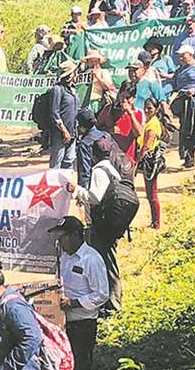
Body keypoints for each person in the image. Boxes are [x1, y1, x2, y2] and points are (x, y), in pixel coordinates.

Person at [66, 139, 134, 314]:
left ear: (93, 155)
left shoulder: (98, 171)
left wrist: (76, 190)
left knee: (105, 262)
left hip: (102, 225)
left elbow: (95, 198)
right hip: (112, 222)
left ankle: (112, 303)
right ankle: (112, 299)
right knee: (109, 260)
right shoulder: (113, 169)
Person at [48, 216, 109, 370]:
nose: (59, 242)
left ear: (75, 235)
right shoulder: (64, 257)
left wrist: (74, 302)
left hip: (82, 324)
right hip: (62, 321)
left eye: (62, 237)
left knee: (80, 363)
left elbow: (102, 294)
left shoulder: (91, 259)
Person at [45, 61, 79, 170]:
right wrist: (64, 131)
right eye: (75, 72)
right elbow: (54, 113)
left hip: (73, 131)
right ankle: (54, 185)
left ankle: (65, 185)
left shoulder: (72, 90)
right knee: (56, 162)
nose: (77, 74)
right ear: (70, 75)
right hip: (59, 134)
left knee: (69, 161)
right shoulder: (57, 89)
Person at [137, 98, 165, 228]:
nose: (147, 110)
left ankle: (156, 222)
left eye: (150, 108)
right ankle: (155, 221)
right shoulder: (150, 122)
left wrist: (138, 161)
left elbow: (147, 145)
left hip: (150, 162)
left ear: (156, 109)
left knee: (152, 193)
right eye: (146, 108)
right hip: (149, 160)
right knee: (150, 193)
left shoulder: (153, 125)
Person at [75, 108, 108, 190]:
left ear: (82, 125)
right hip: (110, 181)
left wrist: (82, 192)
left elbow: (84, 171)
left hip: (95, 184)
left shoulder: (84, 144)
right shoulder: (105, 135)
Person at [109, 87, 143, 163]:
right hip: (111, 156)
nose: (124, 100)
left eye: (127, 98)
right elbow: (98, 128)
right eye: (122, 97)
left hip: (128, 158)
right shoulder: (111, 111)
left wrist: (130, 113)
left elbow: (138, 133)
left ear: (133, 98)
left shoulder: (138, 113)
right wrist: (109, 130)